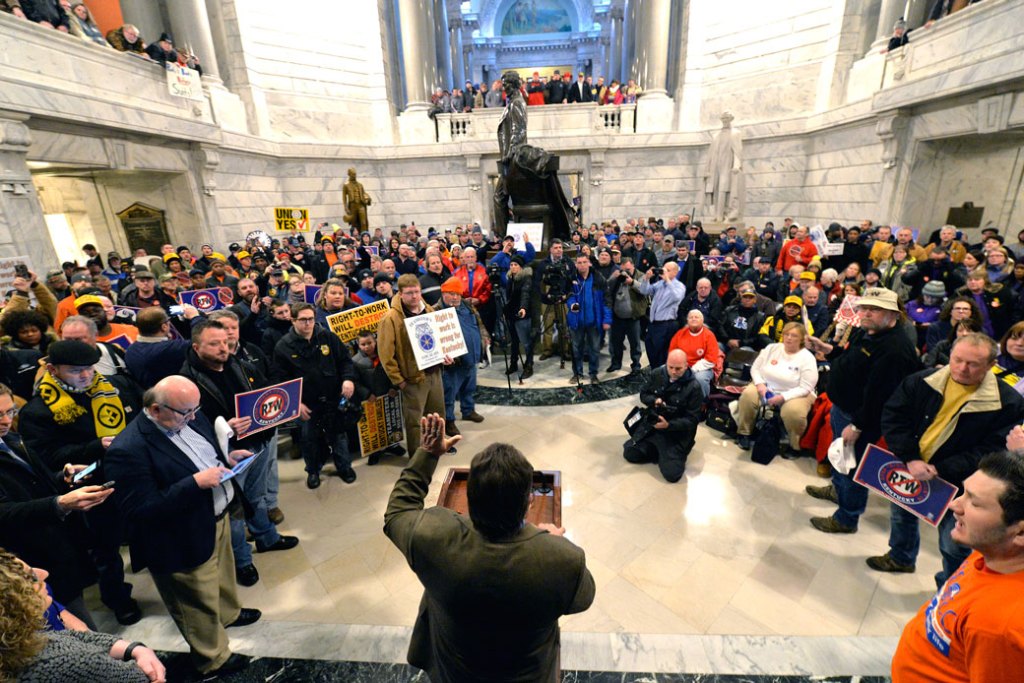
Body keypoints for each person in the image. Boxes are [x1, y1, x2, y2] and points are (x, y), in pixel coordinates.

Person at [384, 413, 595, 683]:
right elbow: (582, 599)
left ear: (469, 500)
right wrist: (553, 541)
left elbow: (398, 512)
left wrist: (427, 453)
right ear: (529, 501)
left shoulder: (432, 537)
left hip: (454, 671)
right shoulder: (562, 559)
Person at [104, 376, 260, 678]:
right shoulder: (128, 449)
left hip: (216, 516)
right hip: (180, 536)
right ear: (155, 409)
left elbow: (201, 455)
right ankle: (212, 657)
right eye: (184, 413)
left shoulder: (189, 414)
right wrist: (194, 484)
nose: (192, 417)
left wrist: (227, 457)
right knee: (195, 600)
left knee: (223, 576)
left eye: (194, 410)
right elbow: (140, 511)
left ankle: (229, 614)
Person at [876, 333, 1024, 582]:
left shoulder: (1008, 402)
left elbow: (992, 450)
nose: (962, 368)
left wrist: (939, 468)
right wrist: (910, 458)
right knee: (901, 515)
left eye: (973, 364)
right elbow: (894, 416)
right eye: (957, 360)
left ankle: (950, 584)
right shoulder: (922, 381)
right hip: (910, 468)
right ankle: (900, 557)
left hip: (960, 486)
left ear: (991, 366)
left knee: (954, 543)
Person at [19, 340, 142, 625]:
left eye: (89, 368)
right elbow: (46, 457)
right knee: (105, 547)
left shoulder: (112, 387)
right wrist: (96, 445)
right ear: (52, 369)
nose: (86, 375)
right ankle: (117, 597)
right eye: (76, 371)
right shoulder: (40, 410)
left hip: (129, 474)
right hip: (89, 488)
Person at [890, 451, 1024, 682]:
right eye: (964, 493)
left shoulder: (999, 627)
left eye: (974, 502)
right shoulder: (990, 552)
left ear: (1020, 532)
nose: (954, 505)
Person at [804, 287, 921, 534]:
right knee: (840, 459)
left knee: (852, 467)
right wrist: (827, 349)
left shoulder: (895, 350)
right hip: (842, 407)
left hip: (859, 418)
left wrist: (857, 426)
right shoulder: (866, 330)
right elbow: (850, 358)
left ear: (893, 315)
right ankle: (837, 491)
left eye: (875, 309)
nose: (866, 313)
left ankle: (847, 518)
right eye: (864, 308)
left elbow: (880, 398)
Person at [0, 383, 113, 630]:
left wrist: (61, 477)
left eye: (10, 412)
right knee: (74, 628)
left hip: (55, 547)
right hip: (27, 557)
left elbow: (30, 484)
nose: (6, 421)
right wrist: (59, 504)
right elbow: (5, 512)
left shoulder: (10, 439)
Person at [0, 549, 165, 683]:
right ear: (14, 607)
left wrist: (132, 649)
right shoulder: (63, 661)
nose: (44, 573)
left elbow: (69, 635)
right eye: (30, 578)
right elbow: (136, 677)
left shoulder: (19, 639)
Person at [271, 303, 358, 489]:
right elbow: (281, 381)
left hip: (333, 398)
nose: (308, 323)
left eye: (311, 319)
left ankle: (344, 467)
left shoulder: (328, 337)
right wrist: (295, 404)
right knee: (309, 439)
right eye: (303, 320)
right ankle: (313, 470)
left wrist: (348, 379)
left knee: (339, 436)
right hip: (306, 404)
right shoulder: (283, 347)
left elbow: (345, 361)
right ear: (293, 320)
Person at [377, 274, 449, 453]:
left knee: (437, 415)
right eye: (409, 293)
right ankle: (417, 458)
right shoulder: (391, 318)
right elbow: (386, 355)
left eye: (417, 292)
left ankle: (436, 448)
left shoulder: (429, 310)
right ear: (400, 294)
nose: (414, 296)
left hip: (434, 372)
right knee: (415, 421)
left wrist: (447, 355)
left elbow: (439, 339)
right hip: (412, 378)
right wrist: (399, 380)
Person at [735, 323, 818, 454]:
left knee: (794, 412)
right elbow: (755, 369)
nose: (789, 338)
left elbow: (806, 387)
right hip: (766, 386)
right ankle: (744, 433)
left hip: (796, 392)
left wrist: (783, 397)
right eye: (786, 334)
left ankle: (794, 445)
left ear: (802, 339)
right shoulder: (771, 348)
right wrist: (760, 384)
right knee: (748, 396)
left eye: (794, 336)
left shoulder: (807, 357)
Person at [623, 349, 703, 482]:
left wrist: (669, 425)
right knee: (630, 454)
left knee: (672, 475)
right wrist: (654, 400)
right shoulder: (657, 374)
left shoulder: (694, 387)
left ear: (686, 366)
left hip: (675, 433)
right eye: (670, 367)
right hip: (653, 426)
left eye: (678, 368)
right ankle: (658, 451)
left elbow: (692, 420)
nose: (673, 371)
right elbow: (644, 394)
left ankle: (671, 452)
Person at [439, 279, 487, 435]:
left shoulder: (467, 306)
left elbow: (479, 324)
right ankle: (449, 421)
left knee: (469, 387)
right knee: (449, 393)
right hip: (453, 363)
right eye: (451, 294)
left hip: (471, 358)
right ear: (443, 293)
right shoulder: (435, 310)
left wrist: (484, 338)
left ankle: (468, 410)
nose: (455, 297)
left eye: (458, 294)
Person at [566, 253, 611, 384]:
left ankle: (593, 374)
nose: (582, 265)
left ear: (589, 263)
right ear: (576, 264)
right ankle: (577, 373)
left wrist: (607, 319)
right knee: (576, 349)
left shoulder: (598, 278)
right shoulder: (571, 278)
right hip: (577, 322)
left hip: (594, 322)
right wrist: (572, 304)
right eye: (579, 263)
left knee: (594, 349)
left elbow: (607, 300)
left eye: (584, 262)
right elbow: (569, 295)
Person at [635, 260, 685, 369]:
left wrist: (667, 279)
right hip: (653, 323)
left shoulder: (679, 286)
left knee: (661, 353)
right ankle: (654, 371)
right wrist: (646, 278)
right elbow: (644, 291)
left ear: (675, 272)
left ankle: (662, 374)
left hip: (666, 325)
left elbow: (676, 297)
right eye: (664, 269)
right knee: (650, 348)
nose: (664, 271)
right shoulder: (660, 284)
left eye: (668, 270)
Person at [605, 257, 648, 373]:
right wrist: (613, 278)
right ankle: (616, 363)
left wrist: (632, 282)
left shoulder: (641, 275)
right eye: (623, 270)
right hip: (617, 317)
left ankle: (636, 365)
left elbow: (645, 290)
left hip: (633, 317)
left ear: (633, 266)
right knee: (616, 343)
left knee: (635, 343)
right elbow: (606, 289)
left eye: (628, 270)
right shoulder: (617, 276)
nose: (626, 273)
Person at [534, 240, 575, 362]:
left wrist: (567, 295)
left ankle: (566, 350)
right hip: (548, 300)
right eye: (556, 247)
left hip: (563, 299)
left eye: (560, 247)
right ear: (550, 250)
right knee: (547, 327)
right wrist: (544, 295)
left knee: (565, 326)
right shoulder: (543, 264)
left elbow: (572, 280)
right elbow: (537, 282)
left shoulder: (567, 262)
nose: (559, 250)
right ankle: (547, 350)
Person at [667, 310, 721, 397]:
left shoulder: (709, 335)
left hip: (703, 368)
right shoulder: (680, 334)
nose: (693, 319)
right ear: (687, 321)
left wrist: (691, 370)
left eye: (696, 317)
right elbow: (672, 353)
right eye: (691, 317)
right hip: (681, 366)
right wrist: (680, 368)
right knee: (662, 371)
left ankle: (703, 401)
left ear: (702, 320)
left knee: (700, 379)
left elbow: (711, 359)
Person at [503, 255, 535, 378]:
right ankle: (513, 363)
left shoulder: (526, 278)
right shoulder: (510, 278)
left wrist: (523, 308)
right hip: (511, 314)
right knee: (514, 341)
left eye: (516, 265)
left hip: (522, 314)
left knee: (526, 342)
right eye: (511, 265)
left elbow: (525, 294)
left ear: (521, 267)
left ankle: (529, 365)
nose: (513, 267)